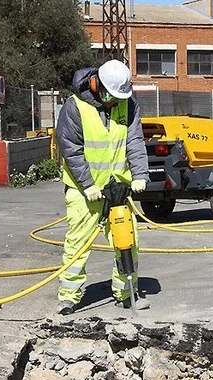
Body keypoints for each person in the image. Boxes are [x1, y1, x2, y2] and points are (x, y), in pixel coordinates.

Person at [55, 59, 150, 315]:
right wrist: (87, 185)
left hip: (118, 187)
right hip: (84, 191)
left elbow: (135, 140)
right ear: (98, 85)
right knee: (78, 243)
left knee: (127, 240)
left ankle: (126, 292)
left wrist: (140, 174)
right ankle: (69, 297)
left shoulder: (126, 103)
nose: (113, 102)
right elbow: (70, 150)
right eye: (111, 96)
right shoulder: (74, 107)